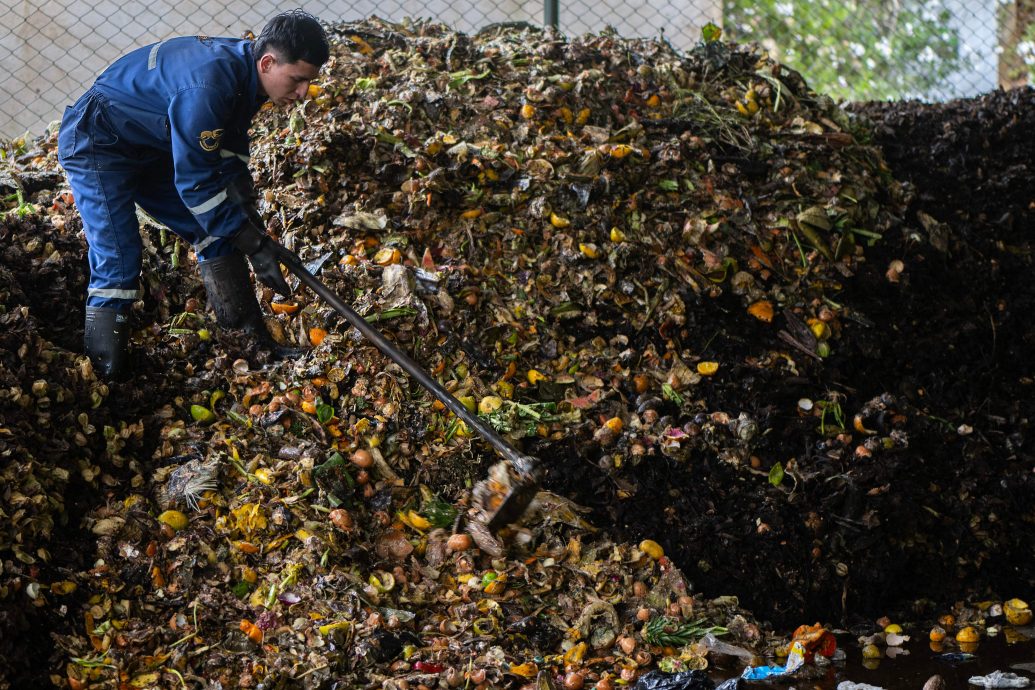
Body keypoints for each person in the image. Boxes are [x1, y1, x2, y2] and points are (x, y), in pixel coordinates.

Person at [57, 10, 330, 378]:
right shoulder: (210, 85)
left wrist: (252, 229)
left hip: (150, 144)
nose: (302, 93)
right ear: (268, 61)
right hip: (98, 143)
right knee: (120, 260)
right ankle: (105, 379)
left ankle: (249, 347)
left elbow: (228, 159)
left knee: (217, 232)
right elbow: (196, 183)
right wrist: (250, 241)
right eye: (298, 80)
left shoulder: (246, 74)